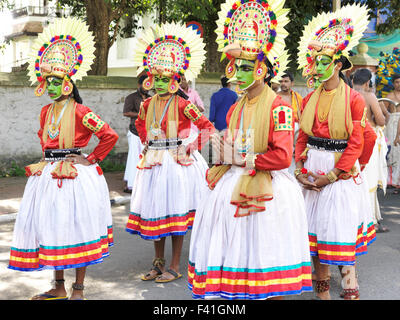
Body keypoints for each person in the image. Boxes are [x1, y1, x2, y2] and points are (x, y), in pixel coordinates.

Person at [188, 0, 312, 300]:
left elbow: (283, 156)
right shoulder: (235, 107)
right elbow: (232, 144)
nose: (237, 72)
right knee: (235, 258)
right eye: (235, 66)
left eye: (245, 66)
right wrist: (224, 151)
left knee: (266, 259)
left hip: (269, 190)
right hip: (232, 183)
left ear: (262, 70)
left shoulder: (279, 107)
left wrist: (240, 158)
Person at [8, 17, 119, 300]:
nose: (52, 86)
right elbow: (44, 141)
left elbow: (109, 136)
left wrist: (90, 158)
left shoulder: (82, 112)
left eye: (57, 81)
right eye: (48, 81)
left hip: (75, 177)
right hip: (48, 175)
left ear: (68, 83)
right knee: (53, 228)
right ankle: (57, 286)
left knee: (77, 228)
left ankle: (78, 289)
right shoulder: (45, 112)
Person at [296, 4, 376, 300]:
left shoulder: (354, 99)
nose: (318, 66)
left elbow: (358, 140)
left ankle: (350, 289)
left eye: (324, 61)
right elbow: (302, 136)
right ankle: (322, 293)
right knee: (315, 235)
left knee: (340, 233)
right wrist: (299, 170)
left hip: (338, 171)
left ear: (339, 64)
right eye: (315, 60)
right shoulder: (308, 99)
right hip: (312, 169)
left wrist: (333, 175)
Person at [126, 22, 214, 283]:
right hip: (153, 161)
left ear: (175, 80)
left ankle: (175, 265)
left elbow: (207, 127)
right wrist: (145, 142)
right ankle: (158, 263)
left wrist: (192, 146)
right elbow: (141, 125)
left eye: (166, 78)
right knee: (155, 212)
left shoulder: (184, 104)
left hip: (178, 164)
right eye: (157, 78)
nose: (161, 83)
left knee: (175, 214)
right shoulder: (146, 104)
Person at [352, 68, 389, 232]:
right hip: (368, 137)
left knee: (354, 177)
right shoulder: (369, 96)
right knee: (369, 178)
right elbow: (381, 121)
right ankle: (370, 220)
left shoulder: (347, 94)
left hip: (350, 139)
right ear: (368, 82)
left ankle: (355, 218)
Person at [122, 75, 151, 193]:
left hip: (147, 133)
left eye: (148, 85)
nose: (146, 88)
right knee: (134, 158)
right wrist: (141, 113)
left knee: (146, 158)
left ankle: (144, 184)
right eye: (144, 85)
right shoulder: (131, 97)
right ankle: (131, 185)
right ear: (139, 85)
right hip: (134, 132)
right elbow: (126, 112)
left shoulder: (151, 98)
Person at [384, 74, 400, 192]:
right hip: (391, 126)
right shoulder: (389, 96)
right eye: (396, 82)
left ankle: (397, 180)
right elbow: (383, 111)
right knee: (391, 152)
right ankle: (391, 181)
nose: (398, 84)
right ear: (393, 83)